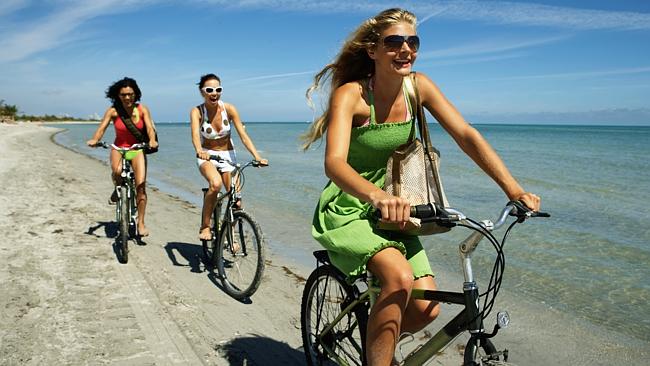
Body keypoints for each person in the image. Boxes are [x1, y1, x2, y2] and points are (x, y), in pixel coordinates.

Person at [302, 8, 541, 366]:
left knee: (427, 308)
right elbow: (334, 163)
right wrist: (378, 196)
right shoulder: (351, 95)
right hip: (351, 203)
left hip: (400, 207)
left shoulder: (419, 87)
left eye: (413, 42)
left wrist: (513, 189)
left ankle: (377, 346)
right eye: (394, 42)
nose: (406, 50)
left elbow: (465, 135)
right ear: (373, 50)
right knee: (398, 278)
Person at [190, 74, 268, 241]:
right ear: (202, 92)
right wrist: (199, 149)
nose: (214, 93)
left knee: (236, 199)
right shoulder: (197, 111)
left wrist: (257, 157)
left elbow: (243, 135)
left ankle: (231, 234)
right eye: (209, 90)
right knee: (215, 184)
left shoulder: (229, 109)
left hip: (228, 155)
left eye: (218, 89)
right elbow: (195, 135)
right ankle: (205, 227)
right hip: (207, 155)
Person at [87, 77, 158, 237]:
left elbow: (149, 128)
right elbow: (102, 128)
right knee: (117, 172)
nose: (127, 97)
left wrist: (152, 141)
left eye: (130, 94)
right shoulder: (113, 111)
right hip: (119, 148)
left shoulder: (142, 109)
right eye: (123, 94)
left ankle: (141, 223)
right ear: (117, 95)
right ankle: (117, 188)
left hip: (137, 149)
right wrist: (95, 140)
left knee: (141, 186)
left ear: (136, 94)